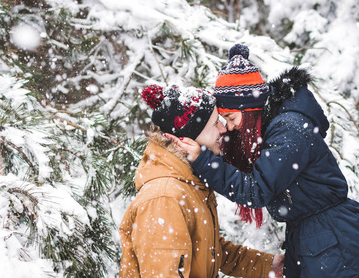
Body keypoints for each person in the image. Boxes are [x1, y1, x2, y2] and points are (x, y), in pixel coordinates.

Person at [172, 44, 359, 278]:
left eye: (231, 117)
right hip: (320, 239)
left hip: (337, 243)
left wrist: (205, 161)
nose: (230, 126)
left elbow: (256, 190)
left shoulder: (289, 129)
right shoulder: (272, 129)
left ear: (250, 109)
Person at [119, 84, 284, 278]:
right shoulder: (164, 197)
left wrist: (268, 266)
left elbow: (209, 252)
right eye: (215, 123)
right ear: (185, 138)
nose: (223, 129)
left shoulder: (187, 182)